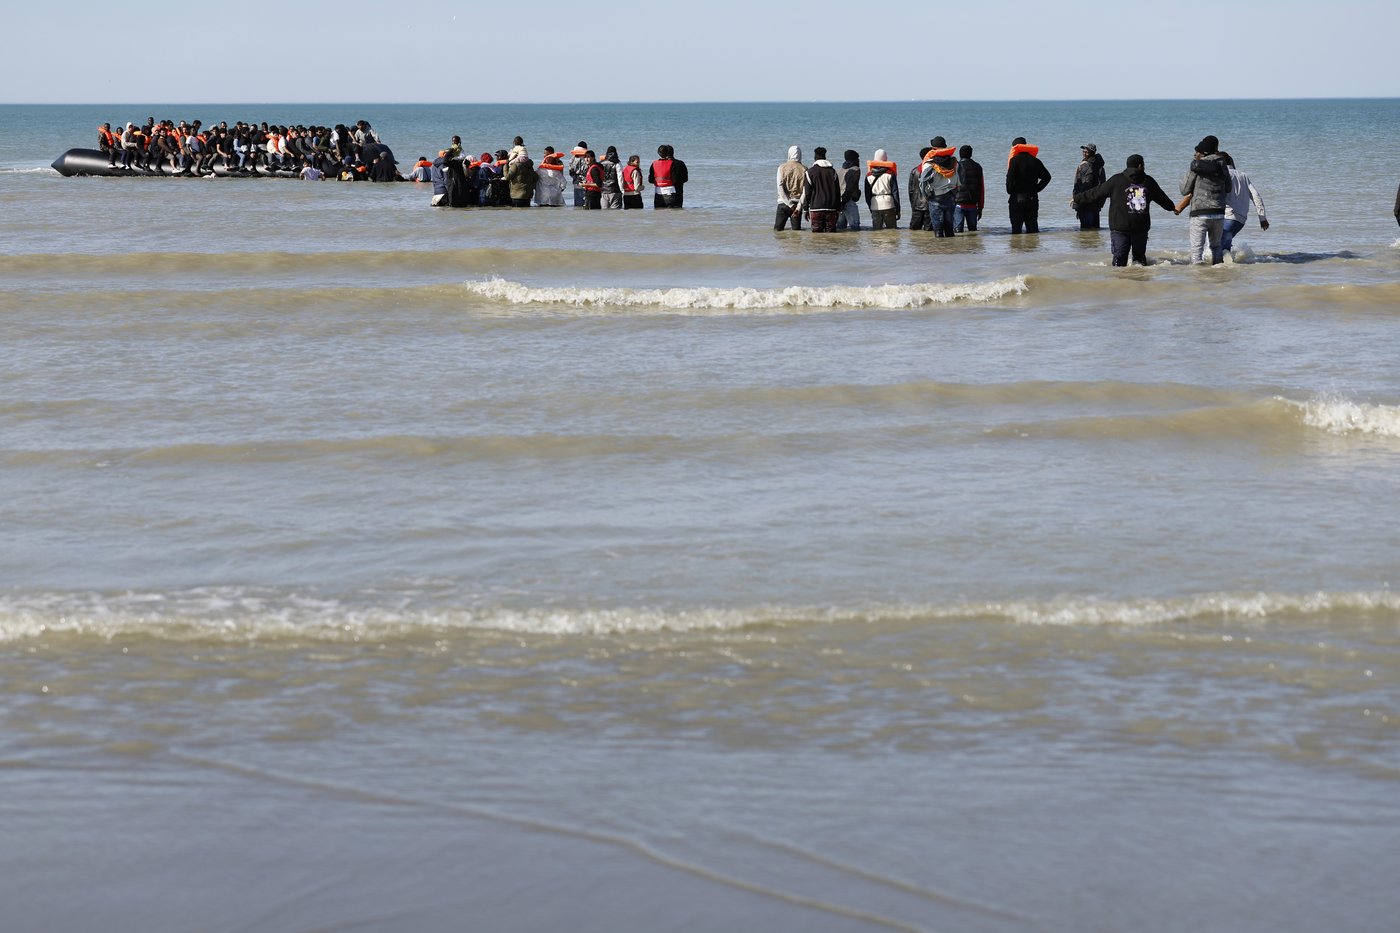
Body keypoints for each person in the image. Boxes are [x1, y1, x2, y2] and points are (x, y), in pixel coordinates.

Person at [1071, 154, 1177, 267]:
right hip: (1140, 229)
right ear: (1140, 165)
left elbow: (1096, 192)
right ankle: (1139, 283)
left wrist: (1077, 198)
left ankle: (1118, 283)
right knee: (1139, 262)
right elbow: (1163, 199)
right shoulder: (1148, 182)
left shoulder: (1116, 180)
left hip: (1119, 228)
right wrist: (1173, 208)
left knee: (1119, 262)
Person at [1175, 135, 1231, 265]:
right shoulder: (1223, 165)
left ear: (1202, 152)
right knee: (1216, 247)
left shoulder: (1196, 166)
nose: (1195, 154)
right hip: (1218, 212)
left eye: (1197, 152)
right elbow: (1228, 188)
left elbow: (1184, 189)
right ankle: (1218, 277)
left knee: (1196, 252)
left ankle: (1198, 282)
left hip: (1199, 213)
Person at [1218, 152, 1270, 252]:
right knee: (1225, 247)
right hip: (1240, 220)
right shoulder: (1243, 175)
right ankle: (1229, 266)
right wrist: (1262, 217)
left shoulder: (1222, 174)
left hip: (1228, 217)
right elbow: (1256, 195)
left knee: (1217, 248)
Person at [1006, 137, 1052, 233]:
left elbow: (1010, 178)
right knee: (1033, 230)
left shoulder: (1014, 160)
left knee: (1016, 231)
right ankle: (1032, 247)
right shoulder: (1035, 161)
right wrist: (1037, 189)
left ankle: (1017, 248)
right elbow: (1047, 177)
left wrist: (1010, 190)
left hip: (1017, 199)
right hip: (1032, 198)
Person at [797, 147, 842, 233]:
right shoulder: (833, 172)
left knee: (817, 236)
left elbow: (807, 193)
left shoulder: (810, 172)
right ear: (825, 157)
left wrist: (805, 209)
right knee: (831, 235)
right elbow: (837, 192)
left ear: (815, 157)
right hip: (831, 208)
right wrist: (838, 209)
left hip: (816, 209)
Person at [920, 138, 958, 237]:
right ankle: (951, 250)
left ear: (933, 149)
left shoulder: (929, 164)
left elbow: (923, 182)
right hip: (950, 196)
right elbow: (961, 180)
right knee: (950, 230)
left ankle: (940, 250)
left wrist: (926, 195)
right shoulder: (954, 162)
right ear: (945, 148)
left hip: (935, 197)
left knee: (938, 231)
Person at [1072, 144, 1107, 230]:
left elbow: (1087, 184)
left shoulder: (1086, 165)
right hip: (1097, 200)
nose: (1084, 153)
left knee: (1086, 230)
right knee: (1095, 229)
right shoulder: (1100, 165)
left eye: (1086, 151)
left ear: (1091, 153)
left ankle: (1088, 242)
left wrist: (1077, 198)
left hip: (1086, 201)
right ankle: (1094, 243)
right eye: (1084, 151)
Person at [864, 149, 900, 230]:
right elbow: (895, 193)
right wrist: (898, 209)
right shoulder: (890, 174)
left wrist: (870, 207)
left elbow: (867, 194)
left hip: (875, 205)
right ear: (885, 159)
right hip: (889, 204)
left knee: (876, 231)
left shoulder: (868, 175)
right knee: (892, 230)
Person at [954, 145, 984, 232]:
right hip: (973, 204)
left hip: (958, 204)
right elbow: (981, 188)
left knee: (958, 232)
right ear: (971, 154)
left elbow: (952, 186)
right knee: (973, 231)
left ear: (960, 154)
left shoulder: (956, 167)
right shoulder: (978, 167)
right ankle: (972, 246)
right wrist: (981, 207)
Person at [775, 145, 805, 230]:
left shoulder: (781, 167)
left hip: (783, 203)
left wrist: (789, 204)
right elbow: (805, 191)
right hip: (797, 204)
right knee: (796, 233)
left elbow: (780, 188)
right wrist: (798, 207)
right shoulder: (804, 169)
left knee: (778, 231)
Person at [837, 150, 862, 231]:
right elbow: (850, 188)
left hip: (839, 201)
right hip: (848, 201)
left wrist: (840, 204)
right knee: (855, 228)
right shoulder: (855, 170)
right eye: (857, 159)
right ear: (855, 159)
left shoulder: (839, 170)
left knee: (840, 228)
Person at [907, 147, 931, 231]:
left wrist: (912, 204)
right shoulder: (934, 170)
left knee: (914, 230)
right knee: (929, 231)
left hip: (916, 205)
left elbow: (910, 190)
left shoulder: (914, 170)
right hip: (930, 205)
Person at [569, 142, 590, 207]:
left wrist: (575, 178)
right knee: (585, 202)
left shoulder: (572, 158)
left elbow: (570, 172)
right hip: (585, 182)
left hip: (576, 182)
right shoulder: (586, 158)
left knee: (577, 203)